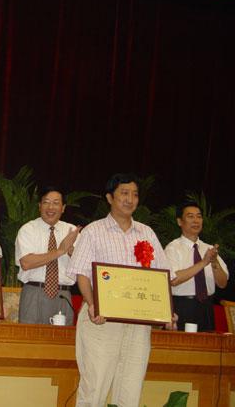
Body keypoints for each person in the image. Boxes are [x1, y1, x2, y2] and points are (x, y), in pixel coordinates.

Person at [66, 173, 173, 407]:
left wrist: (166, 311)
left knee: (130, 391)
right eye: (124, 193)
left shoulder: (147, 233)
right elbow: (81, 274)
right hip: (101, 320)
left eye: (135, 194)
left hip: (138, 323)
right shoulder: (94, 231)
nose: (130, 199)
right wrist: (92, 304)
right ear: (109, 197)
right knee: (94, 389)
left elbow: (161, 276)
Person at [15, 186, 80, 325]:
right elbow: (26, 263)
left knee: (61, 339)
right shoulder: (28, 229)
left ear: (63, 208)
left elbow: (83, 267)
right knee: (29, 337)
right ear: (40, 206)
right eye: (46, 202)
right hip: (34, 293)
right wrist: (60, 251)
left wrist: (72, 253)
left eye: (56, 203)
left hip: (63, 295)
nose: (51, 207)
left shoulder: (72, 231)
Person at [166, 201, 228, 332]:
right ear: (179, 221)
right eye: (190, 216)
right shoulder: (172, 248)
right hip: (182, 307)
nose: (196, 220)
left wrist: (214, 262)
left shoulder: (209, 249)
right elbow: (173, 280)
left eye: (199, 216)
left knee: (208, 345)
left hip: (207, 309)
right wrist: (204, 262)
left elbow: (223, 283)